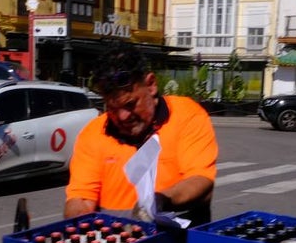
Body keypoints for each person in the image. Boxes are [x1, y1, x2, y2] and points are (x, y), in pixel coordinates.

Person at [65, 42, 218, 226]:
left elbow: (201, 179)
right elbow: (80, 197)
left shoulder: (187, 115)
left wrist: (159, 201)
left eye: (130, 104)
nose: (123, 116)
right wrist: (77, 218)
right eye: (112, 108)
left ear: (151, 85)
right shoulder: (93, 133)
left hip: (182, 236)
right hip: (116, 239)